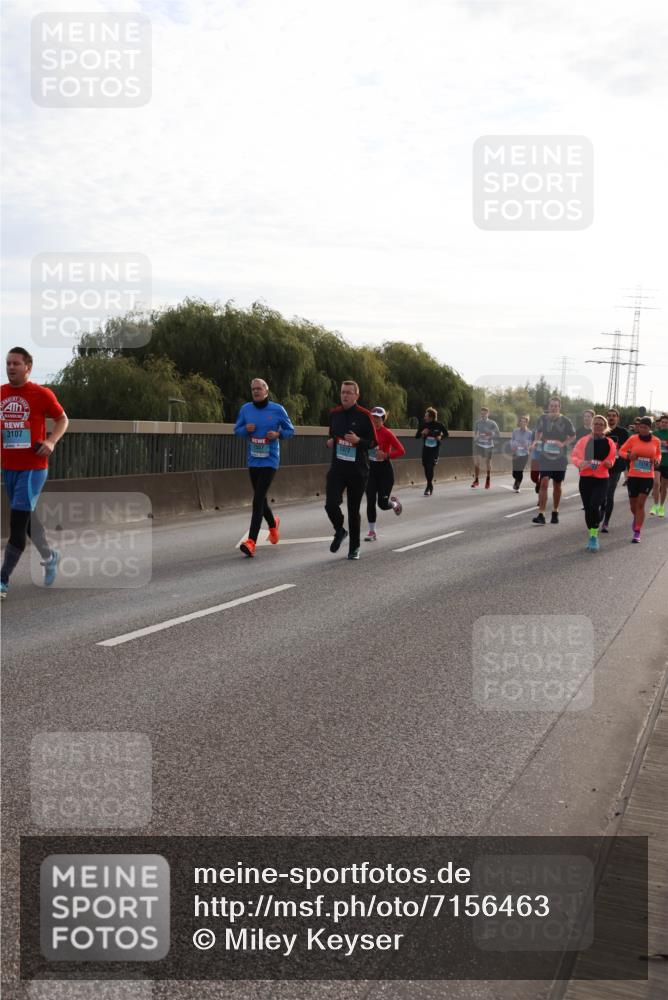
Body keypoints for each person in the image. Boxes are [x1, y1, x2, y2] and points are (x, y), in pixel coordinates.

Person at [1, 347, 69, 598]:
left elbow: (63, 419)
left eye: (16, 364)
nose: (10, 368)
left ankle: (2, 580)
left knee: (16, 525)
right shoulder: (1, 394)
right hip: (9, 468)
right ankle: (50, 557)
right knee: (27, 519)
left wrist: (51, 441)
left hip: (33, 468)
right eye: (8, 363)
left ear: (28, 367)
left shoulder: (41, 394)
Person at [234, 378, 295, 557]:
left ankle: (251, 541)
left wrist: (277, 434)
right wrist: (246, 429)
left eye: (259, 388)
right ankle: (273, 524)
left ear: (266, 391)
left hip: (270, 461)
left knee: (257, 500)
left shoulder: (277, 410)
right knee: (261, 500)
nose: (255, 391)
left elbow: (291, 430)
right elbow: (237, 430)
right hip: (254, 460)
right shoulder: (246, 409)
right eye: (253, 389)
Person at [325, 381, 377, 560]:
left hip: (357, 470)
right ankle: (340, 530)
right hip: (337, 469)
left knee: (353, 511)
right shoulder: (334, 414)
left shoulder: (365, 415)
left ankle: (354, 548)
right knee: (330, 504)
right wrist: (330, 441)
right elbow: (332, 434)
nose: (345, 396)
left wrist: (357, 441)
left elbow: (373, 442)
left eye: (348, 393)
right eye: (342, 392)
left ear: (356, 395)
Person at [571, 415, 616, 551]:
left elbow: (612, 458)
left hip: (601, 479)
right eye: (595, 424)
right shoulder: (583, 441)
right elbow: (574, 456)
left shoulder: (609, 442)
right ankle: (592, 534)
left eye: (601, 424)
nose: (598, 426)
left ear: (605, 427)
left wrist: (610, 463)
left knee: (594, 504)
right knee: (588, 508)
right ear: (592, 425)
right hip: (586, 478)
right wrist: (581, 463)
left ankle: (594, 536)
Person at [532, 396, 576, 525]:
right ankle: (541, 514)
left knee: (557, 485)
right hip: (545, 456)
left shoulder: (566, 420)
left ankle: (555, 511)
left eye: (556, 406)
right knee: (544, 482)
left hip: (560, 458)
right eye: (551, 405)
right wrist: (536, 441)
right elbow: (538, 432)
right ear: (548, 407)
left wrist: (562, 443)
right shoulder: (542, 419)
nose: (553, 408)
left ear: (559, 407)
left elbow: (572, 436)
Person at [617, 416, 661, 543]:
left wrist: (657, 460)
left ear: (650, 428)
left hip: (647, 477)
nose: (642, 429)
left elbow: (658, 454)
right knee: (633, 505)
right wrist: (629, 456)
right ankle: (637, 518)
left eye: (645, 427)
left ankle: (637, 531)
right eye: (641, 427)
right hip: (633, 476)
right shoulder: (633, 439)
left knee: (641, 504)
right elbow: (621, 451)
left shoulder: (656, 441)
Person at [364, 407, 405, 540]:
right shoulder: (366, 432)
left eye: (378, 418)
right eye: (373, 417)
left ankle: (395, 504)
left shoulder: (387, 433)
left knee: (382, 504)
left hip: (385, 472)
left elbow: (401, 450)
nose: (375, 420)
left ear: (383, 419)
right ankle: (372, 532)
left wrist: (387, 455)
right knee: (370, 500)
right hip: (371, 470)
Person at [600, 407, 629, 532]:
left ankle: (606, 522)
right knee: (601, 494)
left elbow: (625, 449)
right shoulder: (601, 431)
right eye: (609, 415)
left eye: (614, 415)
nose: (611, 417)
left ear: (617, 418)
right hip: (601, 467)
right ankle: (601, 511)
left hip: (616, 467)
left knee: (609, 493)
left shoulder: (622, 432)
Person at [415, 407, 448, 496]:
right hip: (426, 449)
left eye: (426, 416)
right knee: (426, 467)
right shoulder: (423, 425)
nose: (424, 417)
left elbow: (446, 434)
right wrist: (423, 433)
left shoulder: (439, 425)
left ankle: (428, 487)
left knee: (430, 466)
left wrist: (440, 437)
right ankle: (430, 485)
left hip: (434, 450)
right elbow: (416, 436)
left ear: (431, 417)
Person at [471, 406, 500, 489]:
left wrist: (490, 435)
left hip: (489, 445)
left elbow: (497, 433)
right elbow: (475, 433)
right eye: (482, 413)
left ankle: (488, 479)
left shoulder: (492, 423)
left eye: (484, 413)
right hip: (479, 444)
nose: (483, 415)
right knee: (477, 462)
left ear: (488, 414)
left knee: (488, 463)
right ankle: (476, 480)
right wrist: (476, 438)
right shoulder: (477, 423)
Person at [650, 414, 668, 517]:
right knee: (656, 484)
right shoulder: (655, 434)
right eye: (663, 422)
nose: (664, 424)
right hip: (657, 462)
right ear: (660, 423)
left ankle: (661, 507)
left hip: (667, 463)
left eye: (666, 422)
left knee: (664, 487)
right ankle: (655, 506)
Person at [510, 415, 533, 491]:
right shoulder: (515, 431)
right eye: (521, 421)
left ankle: (517, 485)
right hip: (516, 453)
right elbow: (512, 440)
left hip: (524, 454)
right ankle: (516, 480)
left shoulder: (530, 433)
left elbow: (531, 443)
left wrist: (527, 445)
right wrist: (513, 445)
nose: (522, 423)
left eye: (524, 422)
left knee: (520, 470)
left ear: (527, 423)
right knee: (514, 473)